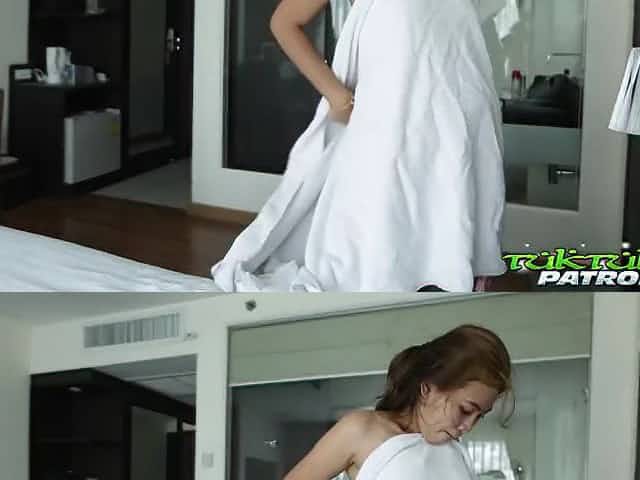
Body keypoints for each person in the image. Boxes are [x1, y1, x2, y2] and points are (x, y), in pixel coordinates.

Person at [211, 0, 507, 292]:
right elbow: (285, 22)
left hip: (457, 126)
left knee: (445, 245)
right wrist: (338, 97)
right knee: (382, 258)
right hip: (389, 132)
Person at [283, 325, 513, 480]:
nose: (468, 426)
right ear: (427, 389)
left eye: (480, 416)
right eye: (465, 410)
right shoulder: (361, 429)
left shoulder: (455, 453)